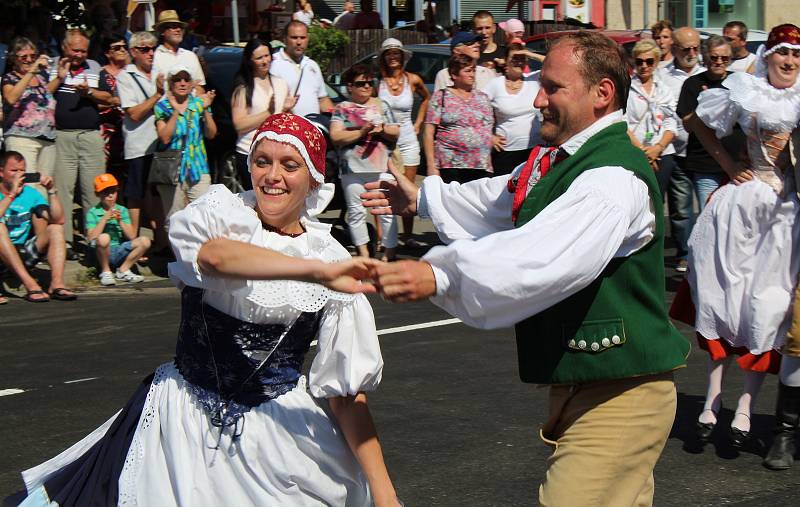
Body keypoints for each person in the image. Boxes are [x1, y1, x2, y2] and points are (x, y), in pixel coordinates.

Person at [362, 31, 689, 505]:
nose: (538, 99)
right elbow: (500, 199)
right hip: (584, 386)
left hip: (623, 395)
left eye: (553, 87)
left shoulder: (612, 179)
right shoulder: (557, 163)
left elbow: (543, 256)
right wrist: (422, 198)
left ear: (602, 94)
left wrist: (440, 274)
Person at [18, 113, 402, 506]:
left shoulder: (331, 257)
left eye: (290, 165)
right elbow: (216, 259)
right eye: (262, 161)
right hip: (179, 419)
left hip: (275, 437)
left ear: (314, 179)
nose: (272, 176)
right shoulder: (222, 210)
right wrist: (317, 273)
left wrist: (386, 496)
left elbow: (346, 394)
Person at [676, 24, 800, 453]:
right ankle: (712, 397)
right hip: (743, 203)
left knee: (766, 305)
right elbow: (695, 121)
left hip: (784, 213)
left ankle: (746, 404)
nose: (789, 62)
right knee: (724, 297)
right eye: (782, 53)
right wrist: (728, 164)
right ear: (767, 56)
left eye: (796, 55)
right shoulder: (746, 88)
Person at [49, 28, 114, 248]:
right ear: (64, 47)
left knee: (93, 190)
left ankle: (94, 240)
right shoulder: (50, 65)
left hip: (90, 136)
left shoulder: (95, 67)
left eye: (83, 51)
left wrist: (89, 93)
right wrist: (58, 78)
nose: (79, 55)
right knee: (62, 190)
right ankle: (63, 241)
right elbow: (41, 96)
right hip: (61, 136)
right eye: (75, 50)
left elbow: (110, 98)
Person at [330, 64, 400, 261]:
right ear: (350, 86)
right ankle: (364, 254)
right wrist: (362, 131)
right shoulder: (342, 108)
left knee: (386, 211)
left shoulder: (381, 105)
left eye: (370, 82)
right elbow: (336, 136)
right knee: (356, 212)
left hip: (381, 167)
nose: (367, 86)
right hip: (352, 168)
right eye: (361, 83)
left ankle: (388, 253)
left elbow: (396, 132)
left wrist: (382, 129)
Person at [658, 26, 705, 272]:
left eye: (696, 47)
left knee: (708, 206)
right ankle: (685, 253)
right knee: (681, 209)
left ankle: (707, 250)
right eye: (686, 48)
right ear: (674, 49)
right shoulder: (661, 75)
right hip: (676, 151)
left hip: (705, 154)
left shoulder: (708, 74)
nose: (692, 52)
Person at [676, 36, 743, 210]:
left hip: (739, 162)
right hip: (706, 165)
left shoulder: (740, 82)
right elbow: (687, 126)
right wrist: (705, 107)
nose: (719, 62)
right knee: (710, 213)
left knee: (736, 215)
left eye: (724, 58)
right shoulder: (692, 84)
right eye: (714, 57)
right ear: (705, 58)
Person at [0, 151, 76, 302]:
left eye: (22, 170)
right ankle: (30, 285)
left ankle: (57, 284)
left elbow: (58, 219)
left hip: (22, 251)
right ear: (1, 172)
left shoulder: (30, 193)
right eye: (14, 171)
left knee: (55, 228)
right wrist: (12, 195)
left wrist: (51, 191)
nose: (19, 175)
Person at [376, 38, 429, 247]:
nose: (393, 57)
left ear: (402, 56)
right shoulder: (376, 82)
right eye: (389, 53)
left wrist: (419, 122)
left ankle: (407, 236)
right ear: (383, 57)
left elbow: (426, 98)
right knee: (383, 189)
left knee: (407, 189)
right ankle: (382, 238)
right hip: (384, 142)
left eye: (396, 53)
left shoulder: (412, 79)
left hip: (408, 140)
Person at [154, 65, 217, 221]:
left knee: (204, 217)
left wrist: (207, 111)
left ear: (191, 84)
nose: (182, 83)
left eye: (186, 79)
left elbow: (211, 134)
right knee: (174, 219)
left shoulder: (198, 104)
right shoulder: (162, 107)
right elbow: (165, 138)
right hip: (173, 171)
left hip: (198, 167)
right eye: (177, 79)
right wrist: (175, 111)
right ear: (170, 83)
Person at [115, 31, 161, 240]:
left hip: (161, 143)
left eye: (153, 48)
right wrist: (158, 95)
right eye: (145, 49)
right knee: (136, 193)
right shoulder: (126, 76)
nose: (150, 53)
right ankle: (133, 239)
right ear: (134, 52)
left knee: (157, 192)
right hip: (139, 144)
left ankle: (160, 237)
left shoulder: (160, 72)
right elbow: (133, 113)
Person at [232, 38, 292, 191]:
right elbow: (239, 125)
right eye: (259, 58)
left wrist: (286, 110)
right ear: (250, 61)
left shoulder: (281, 83)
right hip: (250, 152)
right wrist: (268, 113)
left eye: (267, 55)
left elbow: (283, 118)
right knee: (255, 200)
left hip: (276, 152)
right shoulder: (243, 87)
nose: (265, 61)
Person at [425, 54, 493, 184]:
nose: (472, 74)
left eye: (473, 70)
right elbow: (428, 133)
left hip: (480, 164)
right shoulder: (441, 96)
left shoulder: (483, 98)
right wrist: (431, 165)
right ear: (454, 75)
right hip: (450, 164)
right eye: (467, 71)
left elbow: (488, 128)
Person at [1, 37, 57, 189]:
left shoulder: (40, 78)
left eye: (33, 56)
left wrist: (60, 77)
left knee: (45, 187)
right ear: (14, 59)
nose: (29, 60)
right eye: (24, 57)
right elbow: (11, 98)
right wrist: (31, 72)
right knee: (27, 186)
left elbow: (46, 96)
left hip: (47, 138)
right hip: (22, 138)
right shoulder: (9, 78)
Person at [625, 39, 677, 197]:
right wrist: (644, 153)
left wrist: (658, 148)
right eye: (639, 61)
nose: (644, 66)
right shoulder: (627, 88)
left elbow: (671, 122)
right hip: (634, 152)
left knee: (657, 201)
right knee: (635, 200)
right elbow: (621, 122)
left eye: (649, 61)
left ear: (656, 62)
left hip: (662, 153)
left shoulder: (663, 89)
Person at [484, 42, 542, 175]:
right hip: (506, 152)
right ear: (506, 61)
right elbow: (476, 109)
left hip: (534, 150)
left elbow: (553, 64)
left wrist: (528, 53)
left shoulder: (534, 79)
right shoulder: (495, 84)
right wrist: (489, 136)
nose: (519, 62)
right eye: (514, 58)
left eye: (522, 58)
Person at [85, 173, 150, 286]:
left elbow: (131, 236)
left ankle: (123, 270)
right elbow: (91, 238)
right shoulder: (93, 212)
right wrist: (105, 218)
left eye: (113, 191)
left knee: (145, 241)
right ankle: (105, 271)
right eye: (106, 192)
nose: (110, 196)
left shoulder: (122, 210)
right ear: (97, 194)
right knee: (105, 237)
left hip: (118, 250)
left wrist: (120, 221)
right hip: (100, 253)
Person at [270, 21, 334, 117]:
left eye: (302, 38)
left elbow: (322, 99)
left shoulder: (312, 65)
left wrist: (337, 115)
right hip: (286, 127)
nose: (299, 42)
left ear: (307, 39)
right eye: (294, 38)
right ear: (285, 39)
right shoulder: (273, 64)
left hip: (313, 127)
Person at [97, 34, 129, 183]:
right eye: (117, 48)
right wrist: (112, 102)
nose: (122, 50)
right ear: (107, 53)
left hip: (129, 130)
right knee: (105, 172)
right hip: (106, 132)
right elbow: (93, 102)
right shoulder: (99, 74)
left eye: (124, 47)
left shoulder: (132, 72)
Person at [152, 10, 206, 94]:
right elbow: (152, 89)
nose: (178, 30)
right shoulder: (155, 57)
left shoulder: (190, 56)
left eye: (180, 27)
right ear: (162, 31)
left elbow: (200, 88)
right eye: (173, 27)